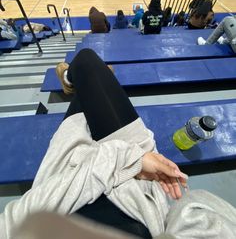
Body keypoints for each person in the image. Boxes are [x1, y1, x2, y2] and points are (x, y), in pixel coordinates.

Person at [1, 49, 236, 239]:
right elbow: (199, 211)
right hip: (137, 187)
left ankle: (76, 81)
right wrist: (131, 159)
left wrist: (126, 159)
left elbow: (16, 220)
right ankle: (85, 82)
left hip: (73, 173)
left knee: (87, 64)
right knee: (89, 65)